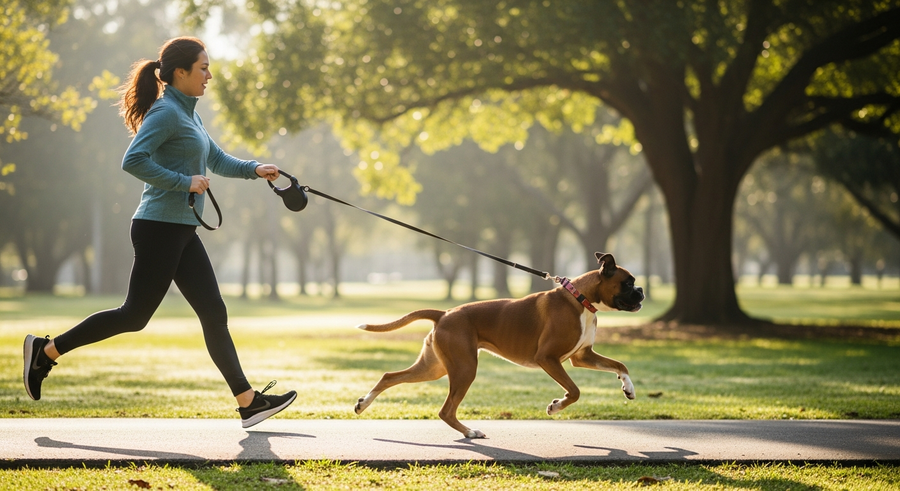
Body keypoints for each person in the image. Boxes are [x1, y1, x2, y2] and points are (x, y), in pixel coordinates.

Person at [23, 36, 296, 428]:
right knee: (134, 315)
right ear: (180, 73)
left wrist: (256, 168)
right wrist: (183, 182)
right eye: (203, 68)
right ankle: (46, 352)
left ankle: (248, 401)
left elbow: (215, 159)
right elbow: (132, 160)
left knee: (213, 312)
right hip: (158, 228)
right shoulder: (167, 112)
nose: (209, 75)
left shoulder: (189, 113)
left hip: (182, 230)